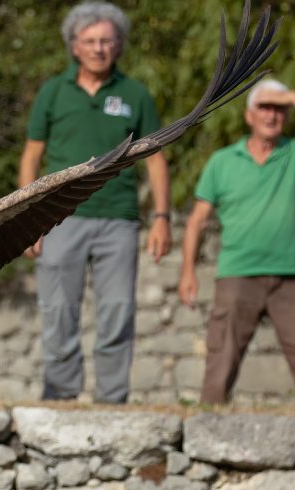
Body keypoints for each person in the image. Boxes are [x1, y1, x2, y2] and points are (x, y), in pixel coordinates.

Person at [19, 1, 172, 404]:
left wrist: (161, 217)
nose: (99, 48)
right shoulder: (53, 92)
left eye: (107, 40)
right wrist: (25, 221)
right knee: (58, 311)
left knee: (118, 312)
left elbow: (155, 160)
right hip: (56, 219)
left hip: (118, 220)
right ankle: (61, 395)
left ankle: (112, 399)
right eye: (90, 41)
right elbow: (31, 157)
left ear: (119, 45)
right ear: (74, 46)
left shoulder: (136, 93)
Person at [178, 78, 295, 403]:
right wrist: (187, 271)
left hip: (291, 275)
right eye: (264, 107)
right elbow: (197, 221)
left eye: (280, 109)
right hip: (238, 274)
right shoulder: (222, 162)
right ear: (248, 116)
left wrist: (286, 94)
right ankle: (206, 435)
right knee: (220, 363)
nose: (272, 116)